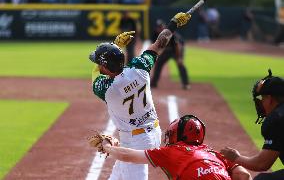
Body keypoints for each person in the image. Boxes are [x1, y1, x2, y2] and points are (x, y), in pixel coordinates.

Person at [89, 12, 191, 180]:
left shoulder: (106, 89)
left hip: (135, 141)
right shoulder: (140, 68)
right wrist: (173, 24)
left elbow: (96, 73)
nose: (98, 66)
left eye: (100, 64)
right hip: (152, 132)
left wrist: (116, 45)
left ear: (105, 67)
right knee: (117, 176)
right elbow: (160, 42)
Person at [91, 114, 252, 180]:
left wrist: (108, 147)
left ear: (179, 134)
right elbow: (244, 176)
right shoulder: (215, 153)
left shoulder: (171, 152)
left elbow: (129, 156)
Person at [221, 70, 284, 180]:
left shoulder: (276, 118)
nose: (261, 102)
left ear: (269, 99)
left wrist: (236, 157)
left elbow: (262, 164)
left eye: (263, 98)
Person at [150, 19, 190, 90]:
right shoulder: (155, 34)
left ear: (164, 27)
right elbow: (155, 46)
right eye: (158, 27)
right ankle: (153, 83)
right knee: (158, 63)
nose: (159, 29)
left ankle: (186, 84)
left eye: (160, 27)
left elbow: (177, 46)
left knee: (180, 64)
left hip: (176, 49)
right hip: (166, 50)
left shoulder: (169, 33)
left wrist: (179, 58)